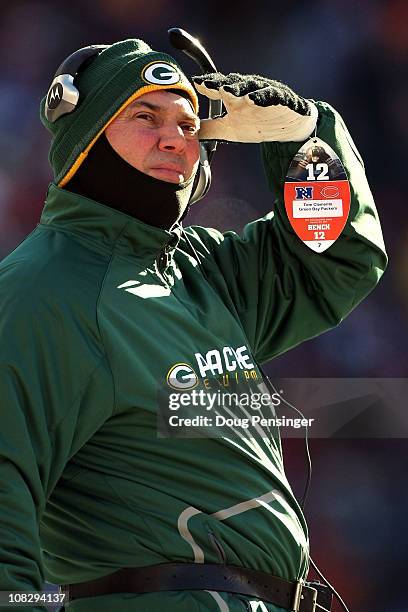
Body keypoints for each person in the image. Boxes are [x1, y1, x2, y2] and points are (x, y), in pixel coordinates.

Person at [0, 38, 386, 612]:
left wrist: (303, 143)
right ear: (85, 134)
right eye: (145, 115)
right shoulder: (43, 286)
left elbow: (333, 260)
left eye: (188, 124)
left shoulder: (203, 270)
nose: (174, 138)